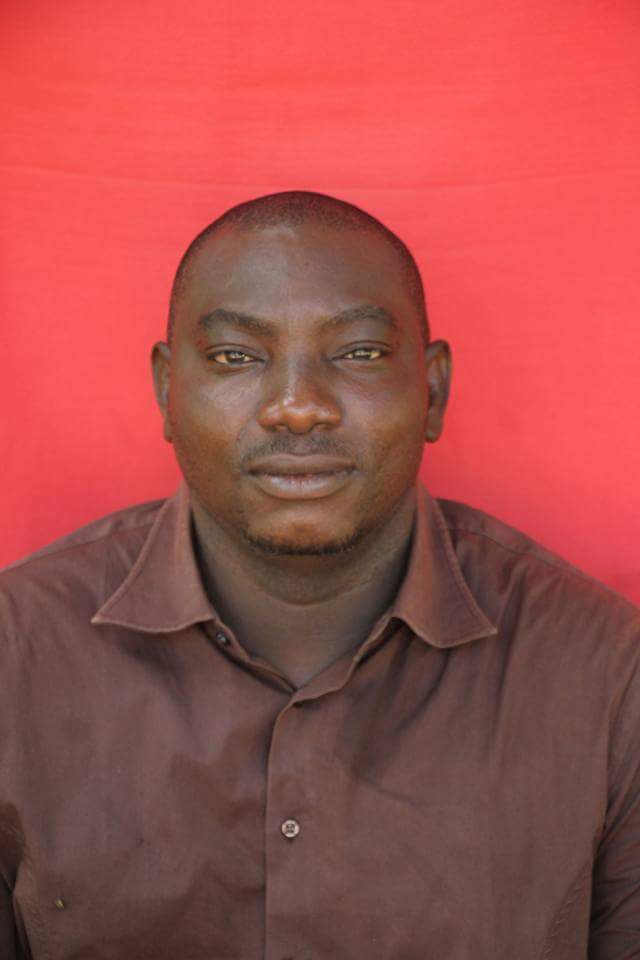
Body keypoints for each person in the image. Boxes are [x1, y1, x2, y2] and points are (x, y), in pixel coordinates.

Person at [0, 190, 638, 959]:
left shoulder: (606, 671)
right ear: (167, 391)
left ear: (433, 389)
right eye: (236, 356)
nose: (298, 407)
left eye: (358, 352)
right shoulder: (16, 648)